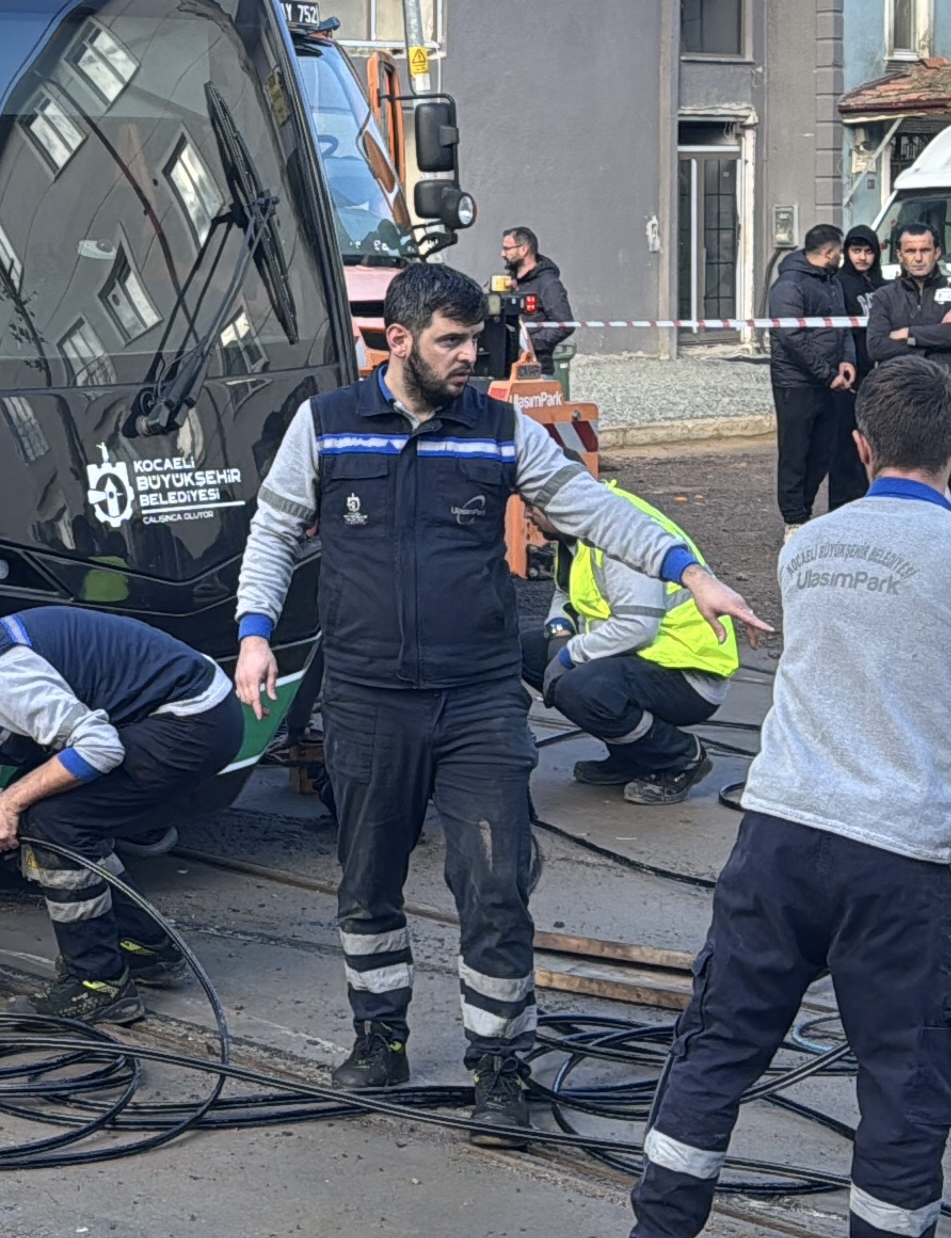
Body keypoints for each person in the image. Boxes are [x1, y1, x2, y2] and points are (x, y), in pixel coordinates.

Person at [232, 262, 760, 1143]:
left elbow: (593, 508)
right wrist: (254, 632)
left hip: (477, 699)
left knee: (495, 882)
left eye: (475, 337)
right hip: (366, 701)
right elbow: (276, 528)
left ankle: (500, 1062)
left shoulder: (501, 429)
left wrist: (688, 570)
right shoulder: (324, 426)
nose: (471, 356)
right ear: (396, 341)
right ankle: (379, 1034)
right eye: (451, 340)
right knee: (367, 881)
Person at [626, 359, 951, 1238]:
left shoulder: (805, 547)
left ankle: (658, 1226)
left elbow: (857, 655)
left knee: (717, 1047)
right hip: (895, 860)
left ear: (859, 446)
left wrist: (931, 686)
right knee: (902, 1081)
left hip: (776, 837)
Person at [0, 607, 242, 1024]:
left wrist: (7, 804)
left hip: (192, 718)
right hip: (162, 715)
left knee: (51, 820)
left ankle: (98, 983)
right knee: (47, 809)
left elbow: (101, 748)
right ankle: (145, 946)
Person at [523, 483, 735, 807]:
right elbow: (567, 593)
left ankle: (679, 759)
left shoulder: (618, 530)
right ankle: (633, 754)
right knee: (528, 651)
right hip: (641, 655)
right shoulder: (576, 533)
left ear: (560, 505)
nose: (527, 515)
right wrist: (559, 629)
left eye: (532, 506)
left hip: (687, 669)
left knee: (581, 688)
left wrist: (570, 654)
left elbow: (639, 627)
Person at [865, 223, 951, 527]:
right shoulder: (884, 297)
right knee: (902, 483)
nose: (918, 258)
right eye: (911, 251)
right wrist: (937, 334)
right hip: (900, 403)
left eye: (925, 250)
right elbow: (877, 346)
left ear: (937, 252)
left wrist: (908, 334)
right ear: (899, 255)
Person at [766, 225, 861, 531]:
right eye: (841, 251)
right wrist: (826, 373)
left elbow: (842, 324)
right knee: (795, 454)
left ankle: (804, 511)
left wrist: (847, 359)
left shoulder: (832, 282)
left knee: (822, 452)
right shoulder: (789, 285)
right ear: (830, 252)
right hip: (796, 383)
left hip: (830, 382)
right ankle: (793, 519)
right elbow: (791, 338)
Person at [500, 228, 574, 383]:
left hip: (537, 370)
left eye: (507, 248)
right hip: (506, 368)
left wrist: (529, 343)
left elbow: (565, 325)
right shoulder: (509, 282)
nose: (502, 254)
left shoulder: (548, 283)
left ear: (524, 249)